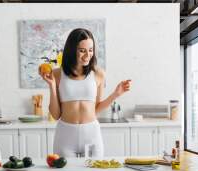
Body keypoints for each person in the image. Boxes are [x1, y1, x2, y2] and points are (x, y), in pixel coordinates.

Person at [39, 28, 131, 158]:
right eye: (82, 51)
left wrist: (116, 94)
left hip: (92, 134)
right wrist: (52, 86)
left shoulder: (98, 74)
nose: (87, 55)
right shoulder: (57, 74)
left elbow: (96, 109)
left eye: (90, 50)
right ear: (72, 51)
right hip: (65, 135)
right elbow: (55, 114)